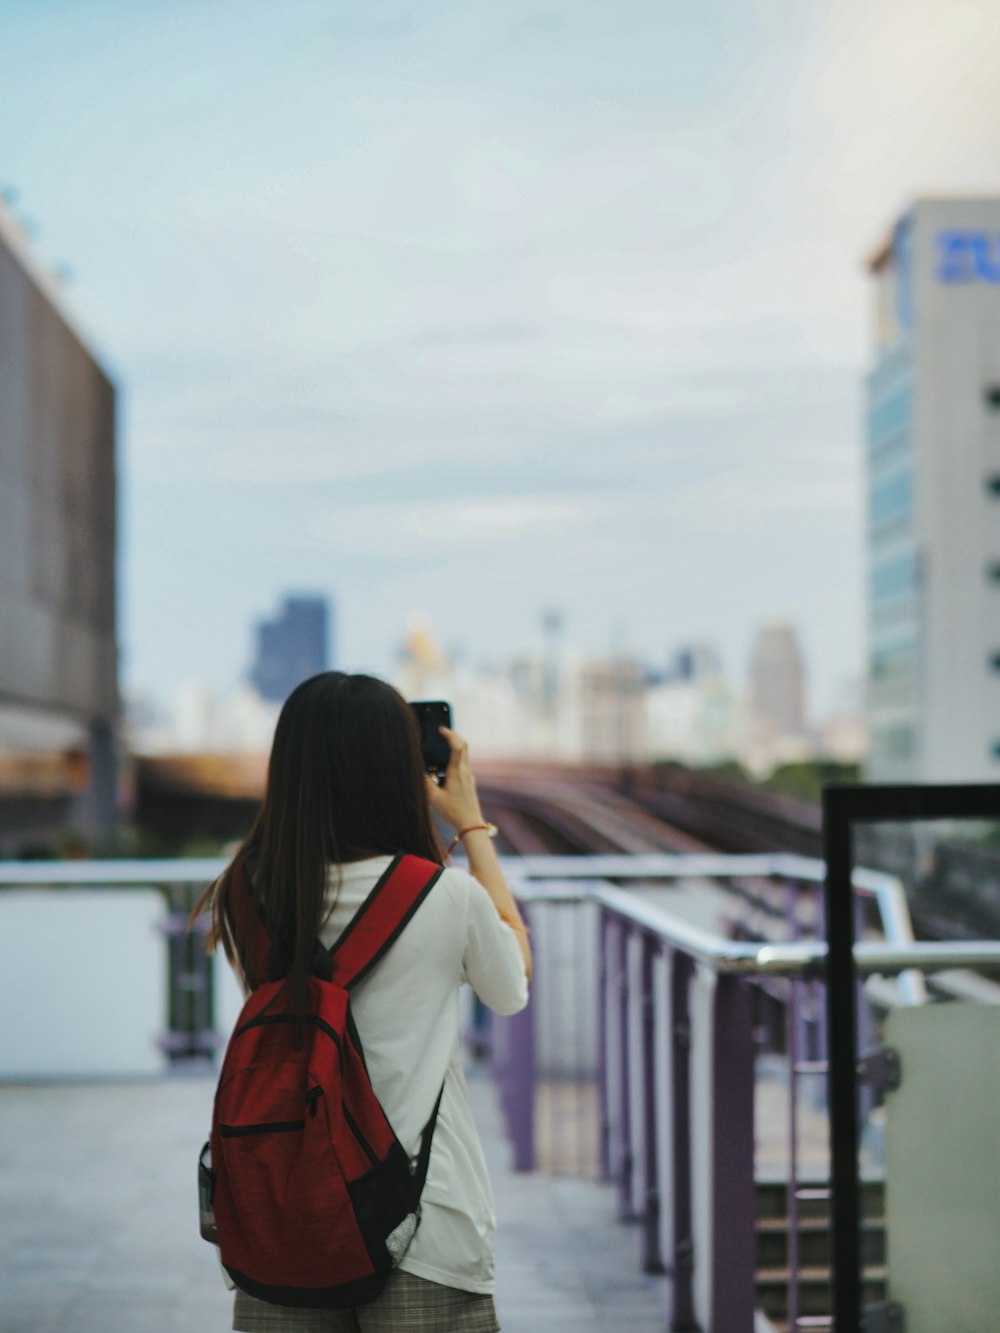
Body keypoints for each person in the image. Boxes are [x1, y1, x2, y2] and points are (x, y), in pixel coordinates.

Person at [199, 671, 532, 1333]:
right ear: (399, 768)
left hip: (287, 1221)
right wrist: (469, 824)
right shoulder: (447, 897)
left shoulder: (247, 889)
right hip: (423, 1226)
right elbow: (512, 985)